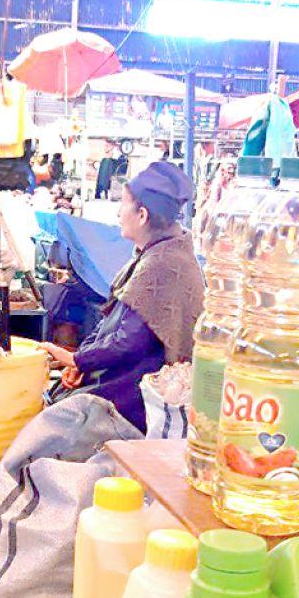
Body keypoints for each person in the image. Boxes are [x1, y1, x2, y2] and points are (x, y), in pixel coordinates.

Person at [41, 161, 204, 432]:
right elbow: (110, 320)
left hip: (136, 396)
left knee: (55, 420)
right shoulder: (156, 253)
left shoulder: (163, 263)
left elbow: (128, 343)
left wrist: (75, 359)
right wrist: (82, 361)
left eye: (123, 204)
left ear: (142, 215)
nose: (118, 212)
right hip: (121, 377)